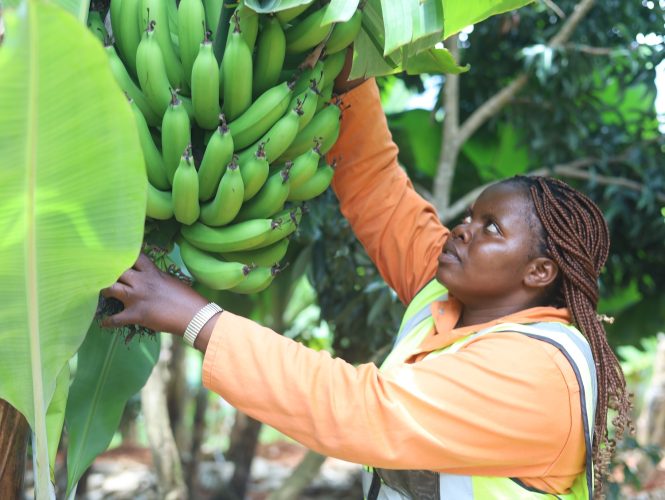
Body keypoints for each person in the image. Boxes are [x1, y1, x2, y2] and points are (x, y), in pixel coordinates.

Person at [102, 72, 631, 499]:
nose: (464, 228)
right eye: (471, 215)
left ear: (538, 273)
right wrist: (346, 66)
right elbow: (378, 185)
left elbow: (362, 409)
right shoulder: (453, 295)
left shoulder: (541, 376)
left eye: (492, 228)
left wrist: (197, 319)